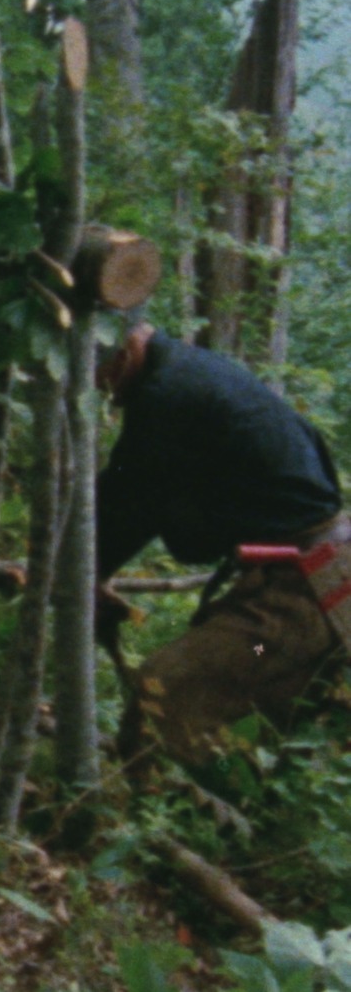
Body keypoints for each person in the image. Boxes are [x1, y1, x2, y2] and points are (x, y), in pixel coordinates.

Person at [95, 321, 348, 767]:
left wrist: (84, 570)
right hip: (311, 586)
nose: (98, 382)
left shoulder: (168, 395)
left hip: (304, 599)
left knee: (166, 687)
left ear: (129, 346)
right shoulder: (192, 373)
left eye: (100, 365)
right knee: (275, 710)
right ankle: (249, 810)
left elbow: (129, 502)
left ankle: (174, 815)